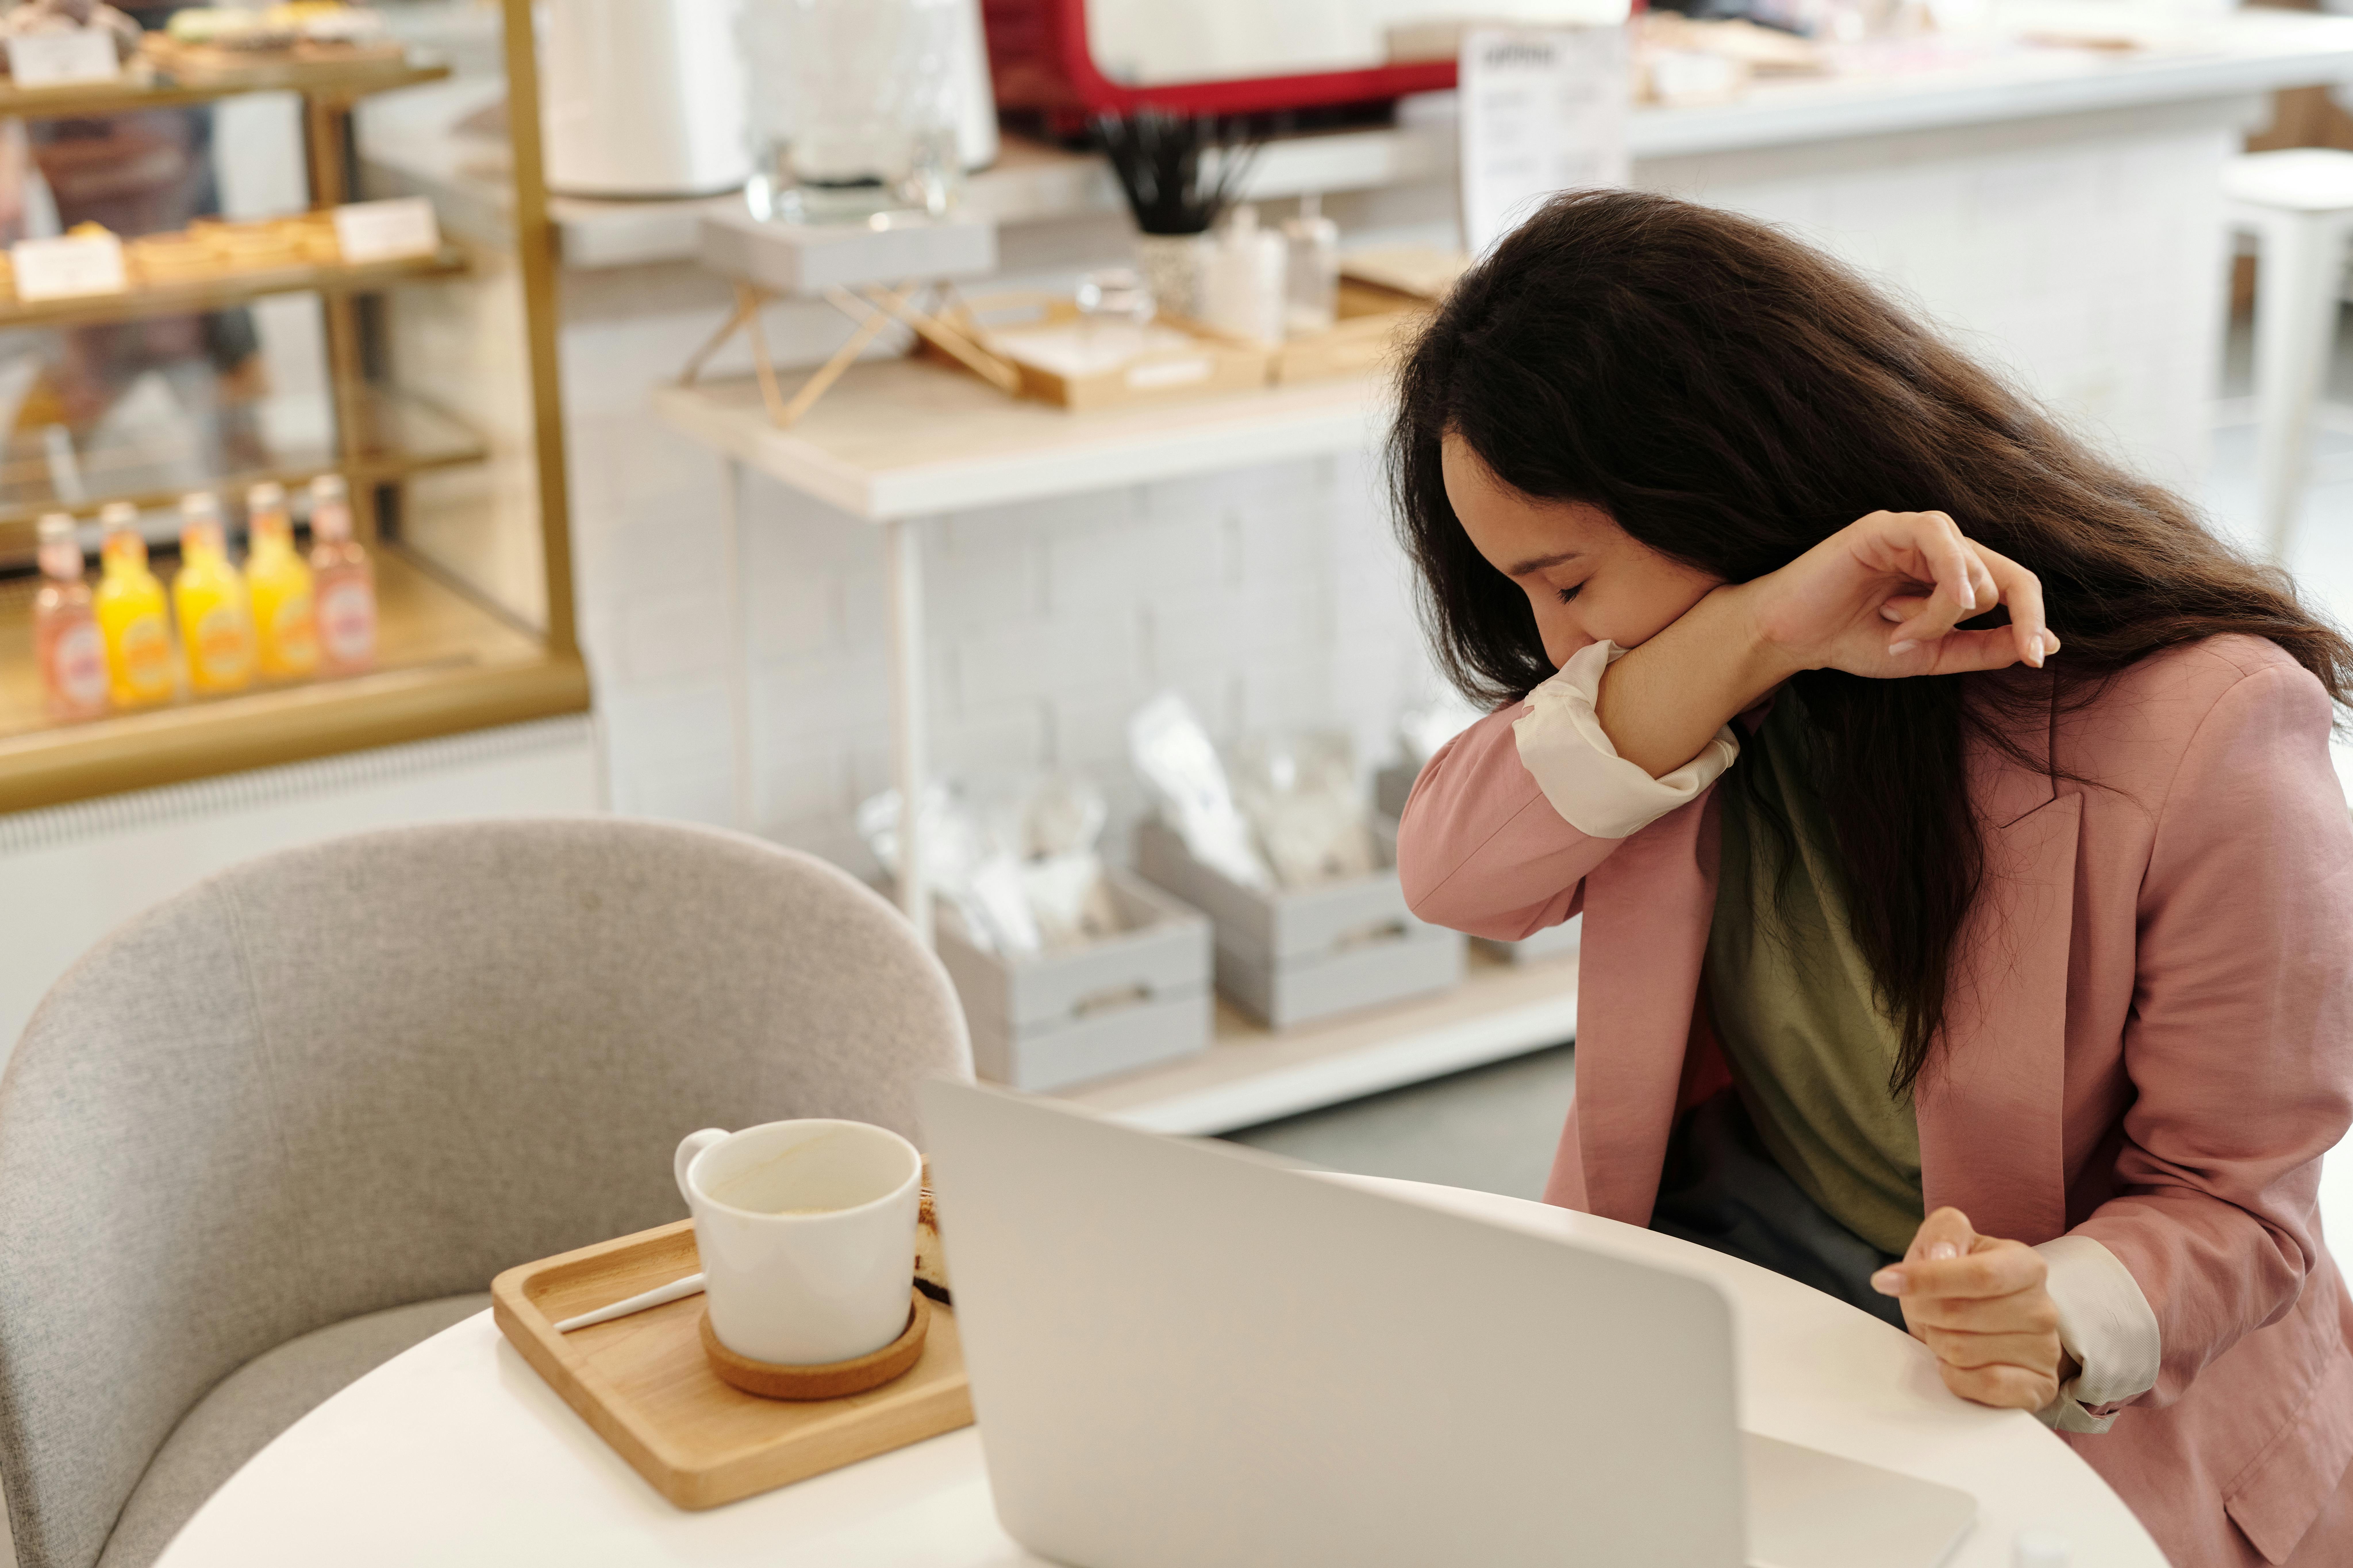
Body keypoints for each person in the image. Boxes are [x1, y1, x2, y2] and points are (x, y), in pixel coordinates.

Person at [1390, 189, 2353, 1566]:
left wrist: (2057, 1307)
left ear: (1715, 484)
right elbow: (1453, 876)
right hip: (1742, 1272)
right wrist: (1762, 629)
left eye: (1568, 582)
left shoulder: (2204, 729)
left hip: (2071, 1394)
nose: (1557, 648)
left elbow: (2242, 1209)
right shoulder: (1685, 701)